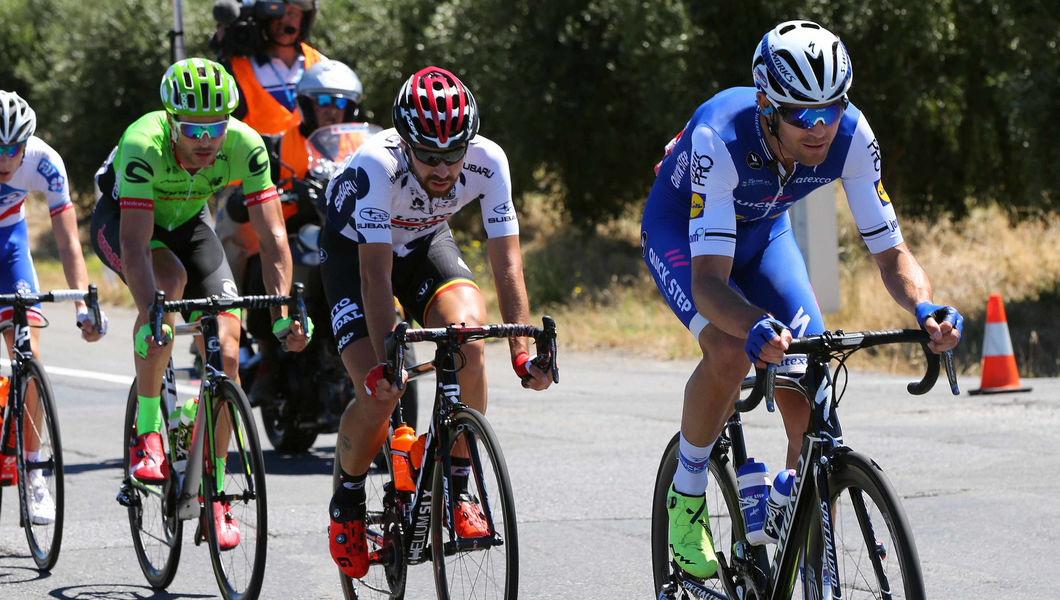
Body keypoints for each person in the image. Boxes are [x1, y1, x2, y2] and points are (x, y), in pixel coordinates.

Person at [640, 20, 964, 579]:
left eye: (831, 108)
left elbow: (893, 256)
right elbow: (711, 285)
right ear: (767, 104)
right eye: (800, 115)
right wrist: (754, 326)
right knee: (727, 347)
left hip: (765, 234)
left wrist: (924, 310)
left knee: (812, 381)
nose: (819, 129)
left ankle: (814, 556)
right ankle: (687, 494)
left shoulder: (852, 135)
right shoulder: (720, 136)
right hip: (683, 240)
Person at [321, 66, 553, 578]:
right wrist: (387, 361)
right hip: (354, 252)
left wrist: (520, 350)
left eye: (455, 153)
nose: (445, 168)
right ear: (405, 144)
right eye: (429, 155)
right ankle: (350, 501)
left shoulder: (489, 162)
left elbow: (507, 263)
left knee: (469, 337)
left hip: (426, 242)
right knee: (378, 391)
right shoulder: (374, 166)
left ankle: (458, 481)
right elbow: (374, 277)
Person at [89, 57, 310, 548]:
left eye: (216, 125)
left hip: (191, 224)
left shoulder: (245, 144)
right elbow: (134, 242)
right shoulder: (142, 142)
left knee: (227, 352)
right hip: (127, 222)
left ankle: (214, 494)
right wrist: (153, 314)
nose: (207, 140)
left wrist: (280, 314)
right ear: (171, 119)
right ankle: (148, 428)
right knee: (169, 280)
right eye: (193, 128)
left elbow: (273, 236)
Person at [218, 58, 367, 404]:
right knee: (262, 267)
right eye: (324, 101)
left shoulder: (362, 144)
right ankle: (269, 357)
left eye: (340, 102)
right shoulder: (276, 145)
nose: (332, 110)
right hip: (292, 231)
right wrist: (251, 195)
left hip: (345, 233)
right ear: (307, 103)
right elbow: (245, 186)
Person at [0, 90, 108, 525]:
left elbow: (67, 240)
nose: (6, 158)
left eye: (14, 148)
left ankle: (33, 473)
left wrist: (82, 301)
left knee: (30, 356)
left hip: (9, 245)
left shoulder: (44, 161)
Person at [225, 0, 327, 135]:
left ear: (304, 19)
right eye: (278, 13)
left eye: (292, 13)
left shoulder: (320, 65)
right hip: (260, 155)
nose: (284, 19)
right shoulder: (237, 68)